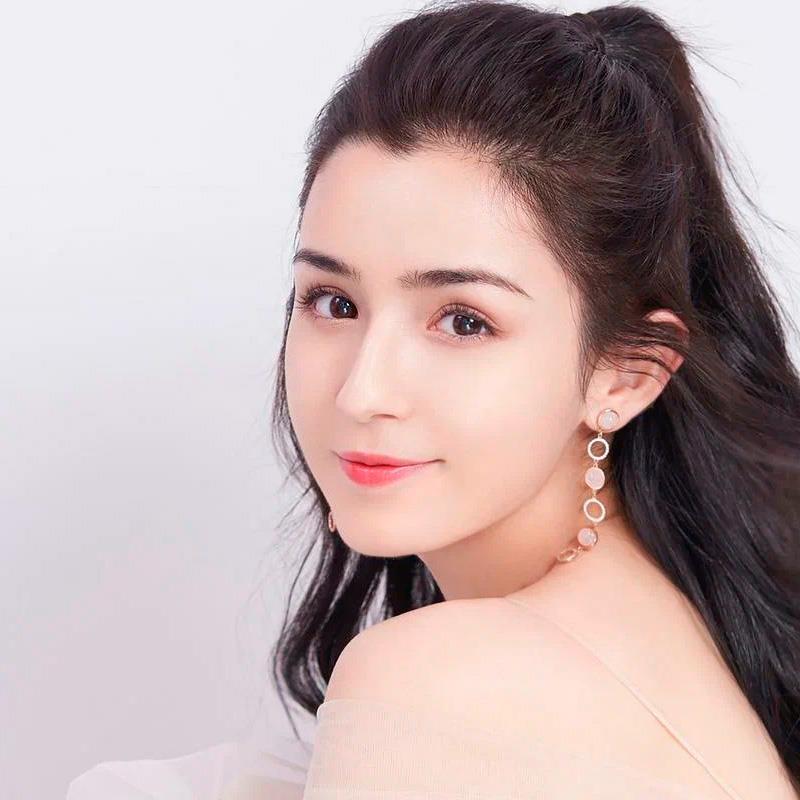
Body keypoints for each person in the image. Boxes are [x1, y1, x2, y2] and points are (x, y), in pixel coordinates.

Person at [68, 1, 800, 797]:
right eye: (334, 303)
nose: (363, 390)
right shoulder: (677, 631)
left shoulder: (444, 686)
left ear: (625, 374)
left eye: (464, 321)